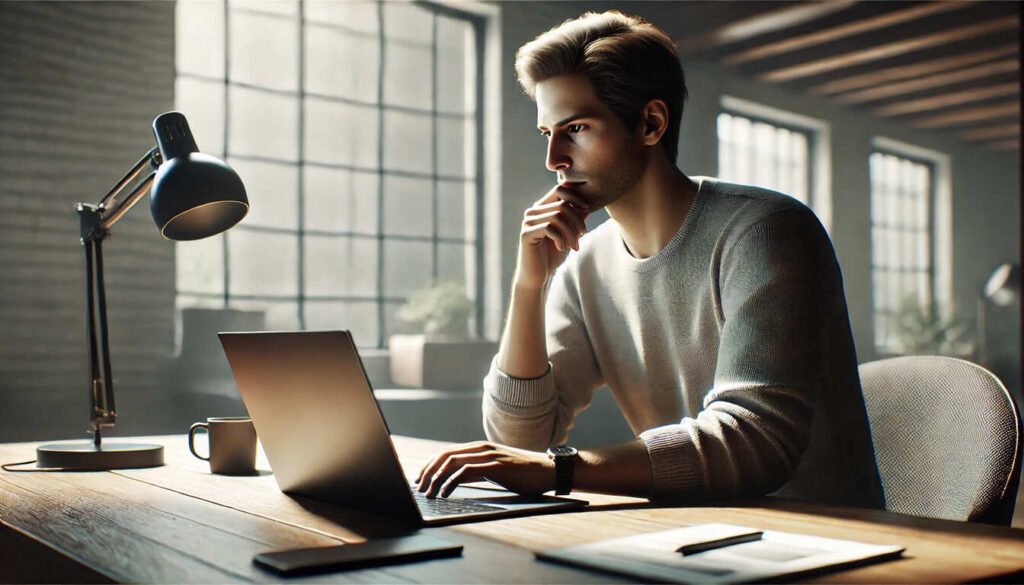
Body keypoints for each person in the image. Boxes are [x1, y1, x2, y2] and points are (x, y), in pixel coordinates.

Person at [415, 10, 883, 509]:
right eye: (546, 133)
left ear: (650, 123)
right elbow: (520, 442)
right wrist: (529, 285)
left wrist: (563, 470)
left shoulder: (766, 231)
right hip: (692, 532)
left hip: (828, 539)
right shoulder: (584, 263)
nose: (554, 158)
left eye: (575, 128)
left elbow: (756, 442)